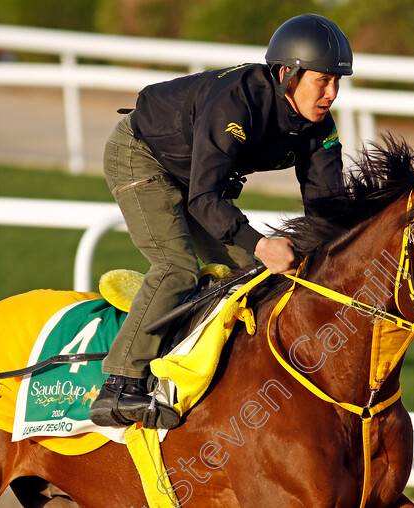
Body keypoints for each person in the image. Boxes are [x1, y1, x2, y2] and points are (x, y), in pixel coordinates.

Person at [90, 13, 354, 429]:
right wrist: (262, 242)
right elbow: (204, 198)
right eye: (323, 80)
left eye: (338, 82)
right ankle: (120, 385)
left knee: (247, 274)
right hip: (142, 157)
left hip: (199, 176)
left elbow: (327, 206)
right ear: (288, 73)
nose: (332, 93)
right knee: (176, 268)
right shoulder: (236, 103)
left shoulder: (318, 125)